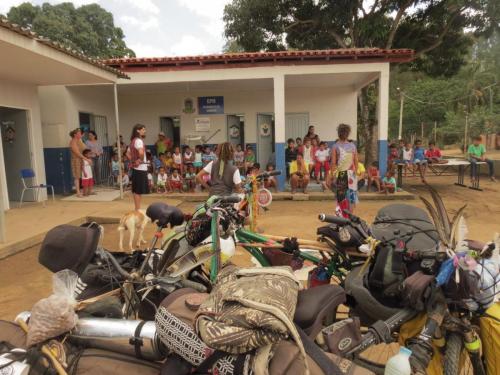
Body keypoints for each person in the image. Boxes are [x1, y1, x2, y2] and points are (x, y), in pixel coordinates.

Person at [331, 124, 359, 216]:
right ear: (348, 134)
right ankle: (350, 217)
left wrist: (334, 176)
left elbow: (333, 163)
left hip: (341, 174)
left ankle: (342, 218)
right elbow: (356, 162)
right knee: (351, 197)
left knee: (341, 198)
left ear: (339, 133)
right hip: (351, 174)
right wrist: (356, 174)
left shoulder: (335, 146)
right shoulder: (352, 146)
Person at [127, 124, 149, 211]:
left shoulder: (133, 141)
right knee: (138, 191)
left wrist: (133, 161)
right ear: (138, 130)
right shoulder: (138, 141)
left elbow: (127, 153)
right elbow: (141, 152)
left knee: (137, 190)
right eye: (143, 129)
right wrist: (139, 160)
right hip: (140, 169)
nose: (145, 131)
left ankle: (137, 208)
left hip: (137, 169)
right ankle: (137, 209)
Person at [69, 128, 91, 198]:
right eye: (79, 133)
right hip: (76, 160)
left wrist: (91, 153)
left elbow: (85, 148)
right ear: (75, 135)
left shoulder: (80, 141)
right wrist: (86, 159)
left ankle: (85, 190)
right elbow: (77, 153)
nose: (80, 134)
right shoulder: (73, 142)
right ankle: (78, 192)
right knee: (77, 176)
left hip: (81, 159)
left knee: (83, 175)